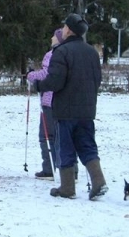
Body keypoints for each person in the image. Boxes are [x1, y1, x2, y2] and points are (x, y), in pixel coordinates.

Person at [33, 13, 107, 200]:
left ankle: (67, 188)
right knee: (87, 145)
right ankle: (98, 182)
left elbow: (55, 81)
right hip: (87, 110)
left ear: (68, 30)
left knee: (64, 147)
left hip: (66, 111)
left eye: (65, 26)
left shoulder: (62, 52)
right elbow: (97, 80)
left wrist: (39, 85)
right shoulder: (91, 52)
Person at [27, 28, 64, 180]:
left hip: (49, 100)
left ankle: (49, 168)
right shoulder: (68, 54)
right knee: (62, 136)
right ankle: (69, 169)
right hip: (63, 101)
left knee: (46, 136)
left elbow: (46, 74)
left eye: (54, 36)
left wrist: (30, 75)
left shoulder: (52, 55)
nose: (51, 38)